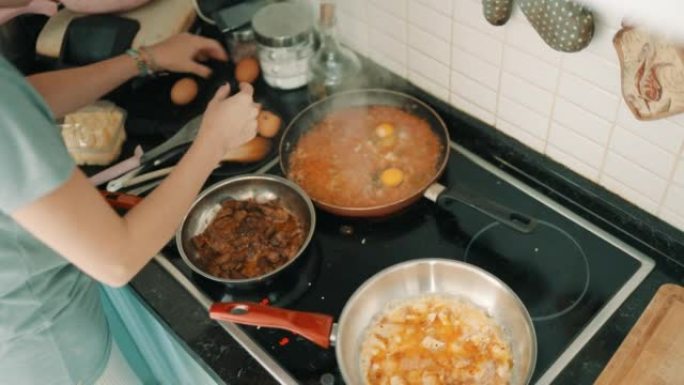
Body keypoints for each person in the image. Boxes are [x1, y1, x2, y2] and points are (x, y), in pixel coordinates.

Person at [0, 5, 259, 384]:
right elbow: (116, 261)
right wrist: (214, 141)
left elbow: (27, 97)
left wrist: (143, 59)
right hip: (53, 356)